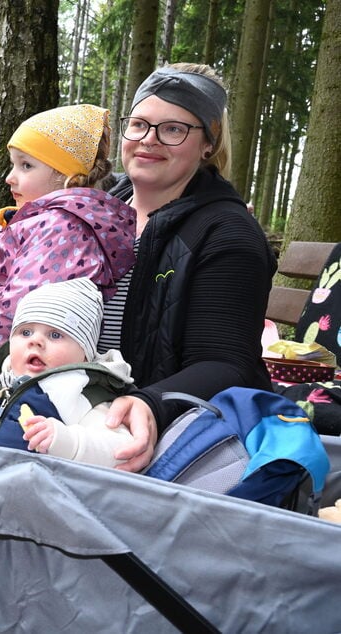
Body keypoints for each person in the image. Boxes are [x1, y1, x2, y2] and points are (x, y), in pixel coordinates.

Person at [100, 63, 277, 473]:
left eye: (173, 129)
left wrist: (151, 401)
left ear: (208, 144)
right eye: (139, 124)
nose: (148, 140)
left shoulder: (227, 234)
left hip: (165, 435)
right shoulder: (100, 207)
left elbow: (225, 363)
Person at [0, 104, 136, 365]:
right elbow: (16, 293)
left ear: (65, 175)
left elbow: (22, 315)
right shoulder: (55, 223)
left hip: (26, 376)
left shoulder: (61, 230)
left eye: (26, 166)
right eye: (13, 165)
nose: (9, 178)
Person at [0, 278, 133, 467]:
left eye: (55, 335)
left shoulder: (82, 394)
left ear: (85, 355)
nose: (35, 341)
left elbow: (121, 450)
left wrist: (68, 441)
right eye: (25, 332)